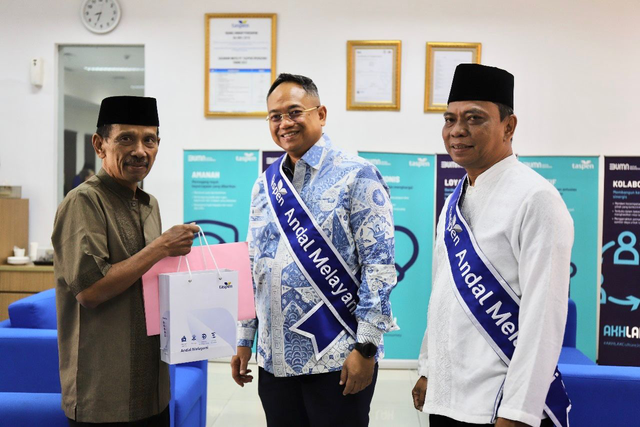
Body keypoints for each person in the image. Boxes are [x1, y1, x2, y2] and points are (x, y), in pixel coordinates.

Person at [230, 73, 398, 427]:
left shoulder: (358, 174)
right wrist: (245, 338)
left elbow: (379, 267)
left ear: (320, 114)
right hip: (275, 360)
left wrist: (366, 348)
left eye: (294, 112)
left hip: (337, 359)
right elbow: (254, 265)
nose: (284, 123)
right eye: (275, 116)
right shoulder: (265, 183)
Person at [411, 64, 574, 427]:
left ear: (509, 126)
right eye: (449, 118)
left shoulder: (537, 199)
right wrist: (428, 368)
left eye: (474, 118)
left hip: (499, 406)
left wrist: (518, 412)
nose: (457, 130)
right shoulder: (455, 200)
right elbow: (443, 295)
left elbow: (543, 317)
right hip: (448, 400)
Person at [52, 96, 200, 426]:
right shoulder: (83, 202)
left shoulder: (150, 205)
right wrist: (161, 247)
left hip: (153, 387)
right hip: (103, 393)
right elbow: (90, 292)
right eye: (126, 138)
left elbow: (146, 279)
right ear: (99, 144)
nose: (140, 150)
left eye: (149, 139)